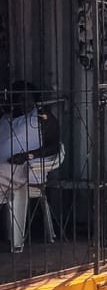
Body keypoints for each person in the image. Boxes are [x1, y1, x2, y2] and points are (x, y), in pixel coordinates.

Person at [1, 82, 63, 253]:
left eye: (28, 98)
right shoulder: (6, 118)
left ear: (35, 99)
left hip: (25, 170)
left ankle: (16, 242)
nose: (24, 102)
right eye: (20, 98)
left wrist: (28, 156)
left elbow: (54, 146)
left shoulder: (42, 117)